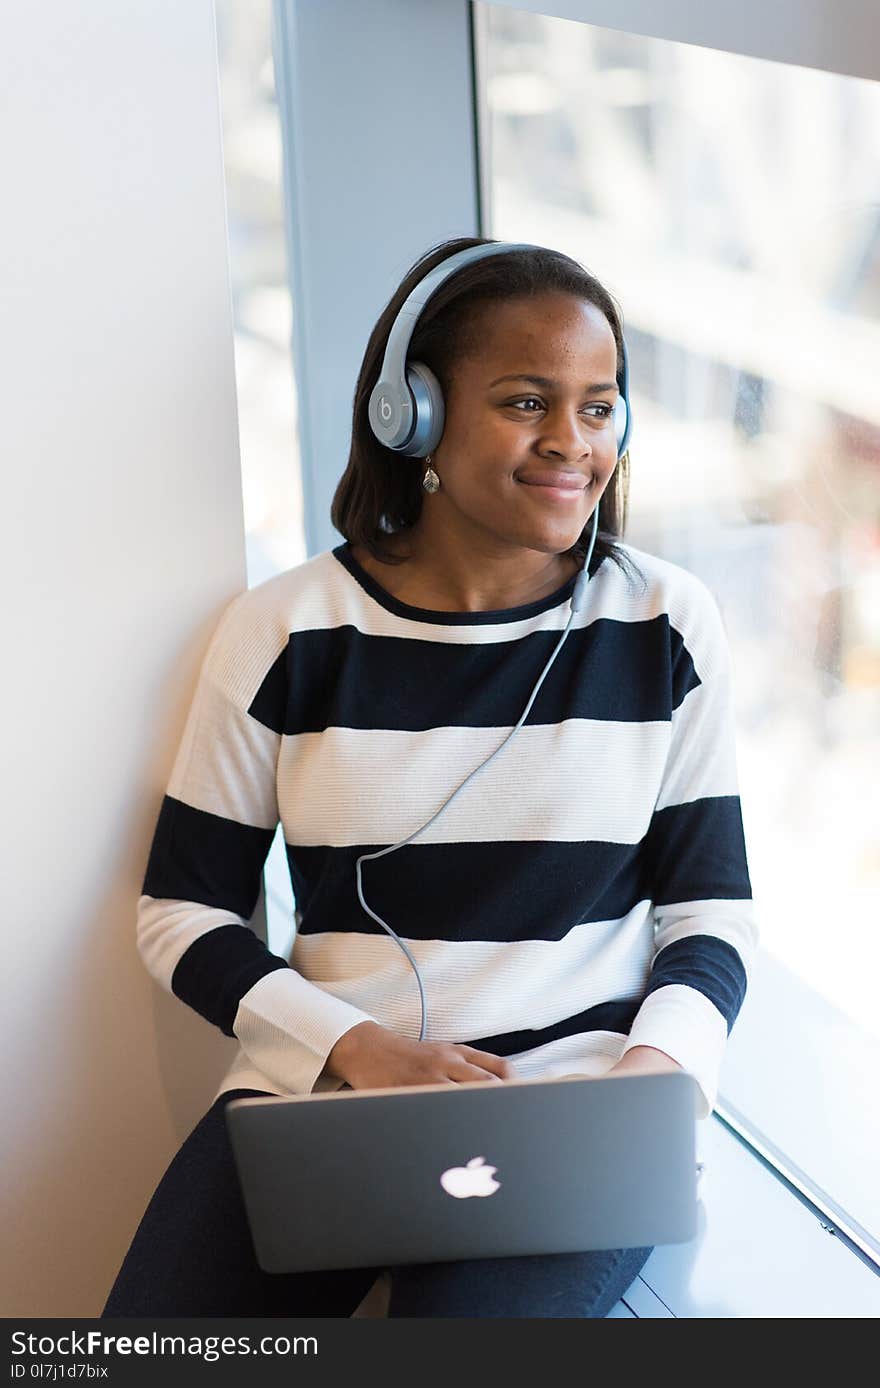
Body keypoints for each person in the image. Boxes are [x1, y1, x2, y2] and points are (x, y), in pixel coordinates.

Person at [102, 236, 757, 1318]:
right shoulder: (290, 627)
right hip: (324, 1090)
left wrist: (656, 1072)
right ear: (411, 413)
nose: (571, 443)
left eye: (599, 408)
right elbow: (182, 908)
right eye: (524, 401)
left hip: (570, 1107)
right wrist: (354, 1047)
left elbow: (709, 912)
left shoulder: (664, 622)